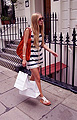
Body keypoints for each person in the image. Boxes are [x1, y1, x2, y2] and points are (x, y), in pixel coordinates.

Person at [22, 13, 58, 106]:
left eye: (42, 18)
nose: (42, 20)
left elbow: (43, 45)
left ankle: (28, 89)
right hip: (31, 58)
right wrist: (24, 58)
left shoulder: (41, 30)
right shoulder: (28, 30)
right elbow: (25, 44)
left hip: (39, 58)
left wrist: (51, 51)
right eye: (40, 19)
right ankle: (42, 97)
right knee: (38, 78)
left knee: (34, 76)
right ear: (35, 20)